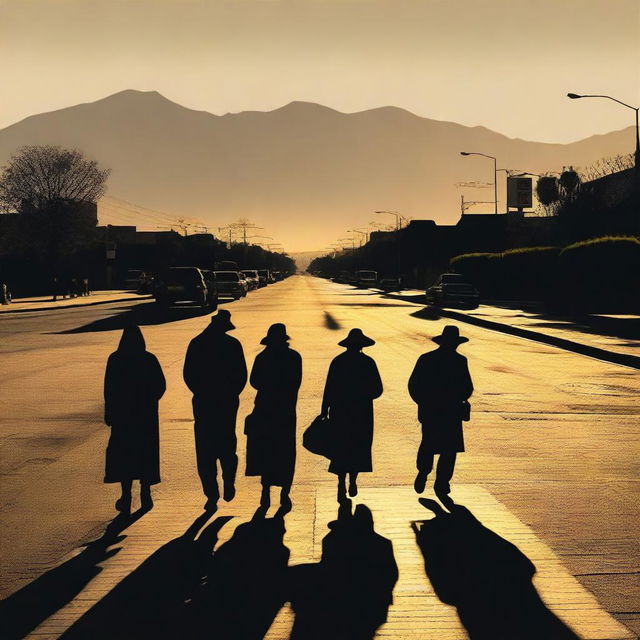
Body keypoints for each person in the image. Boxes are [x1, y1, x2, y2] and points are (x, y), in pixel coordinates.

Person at [183, 310, 247, 511]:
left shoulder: (197, 344)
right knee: (228, 444)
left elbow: (189, 374)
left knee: (205, 448)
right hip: (227, 402)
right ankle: (228, 480)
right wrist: (231, 393)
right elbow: (241, 375)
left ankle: (211, 493)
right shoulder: (232, 345)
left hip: (204, 402)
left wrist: (201, 392)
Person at [104, 325, 166, 514]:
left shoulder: (115, 359)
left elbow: (109, 388)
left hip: (123, 415)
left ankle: (126, 495)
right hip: (145, 415)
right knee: (145, 452)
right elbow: (160, 386)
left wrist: (110, 411)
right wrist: (149, 400)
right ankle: (146, 492)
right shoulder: (148, 359)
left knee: (124, 454)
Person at [408, 325, 473, 500]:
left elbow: (413, 385)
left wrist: (423, 402)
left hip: (430, 410)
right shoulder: (460, 361)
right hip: (451, 411)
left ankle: (423, 471)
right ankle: (442, 482)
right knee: (449, 449)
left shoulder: (426, 359)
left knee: (428, 442)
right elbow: (468, 388)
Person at [321, 328, 383, 501]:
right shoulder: (368, 362)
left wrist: (324, 409)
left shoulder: (338, 361)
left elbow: (329, 388)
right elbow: (377, 390)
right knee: (358, 445)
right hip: (361, 411)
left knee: (341, 446)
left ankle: (341, 481)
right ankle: (353, 481)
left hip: (340, 410)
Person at [246, 323, 302, 509]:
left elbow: (254, 381)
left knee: (266, 450)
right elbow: (295, 383)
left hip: (265, 408)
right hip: (286, 410)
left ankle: (265, 491)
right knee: (285, 452)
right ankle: (285, 492)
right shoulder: (294, 358)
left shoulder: (262, 358)